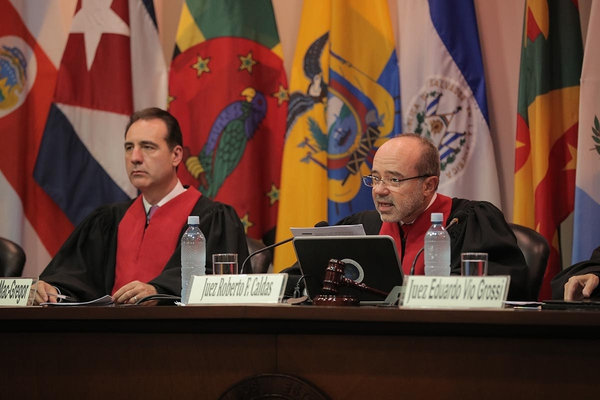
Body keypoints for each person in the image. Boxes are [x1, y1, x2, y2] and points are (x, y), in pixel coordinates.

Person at [35, 107, 249, 305]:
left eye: (148, 147)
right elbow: (76, 277)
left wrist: (158, 291)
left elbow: (222, 285)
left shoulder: (212, 219)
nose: (135, 158)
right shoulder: (109, 220)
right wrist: (52, 289)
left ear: (176, 155)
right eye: (129, 147)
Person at [336, 134, 528, 300]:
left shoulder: (468, 221)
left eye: (394, 180)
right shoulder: (365, 226)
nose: (379, 190)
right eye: (375, 178)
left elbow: (503, 288)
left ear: (428, 186)